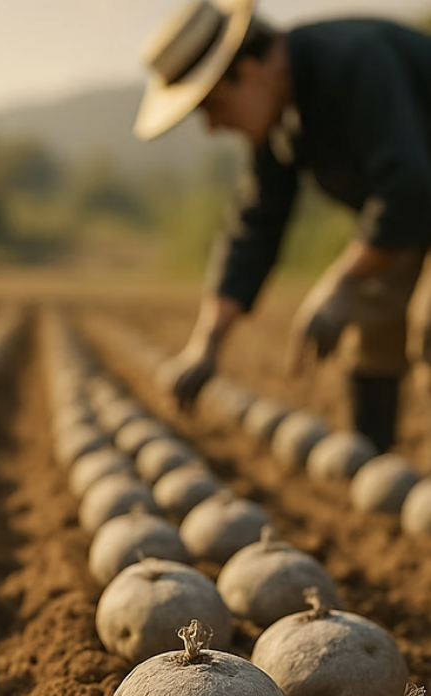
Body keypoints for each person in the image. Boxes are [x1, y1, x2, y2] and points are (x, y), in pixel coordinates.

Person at [134, 0, 431, 453]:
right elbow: (255, 224)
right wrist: (207, 344)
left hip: (416, 193)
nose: (212, 127)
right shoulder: (280, 118)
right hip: (413, 206)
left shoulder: (353, 61)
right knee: (371, 322)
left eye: (212, 106)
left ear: (250, 71)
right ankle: (373, 461)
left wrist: (340, 282)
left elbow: (407, 186)